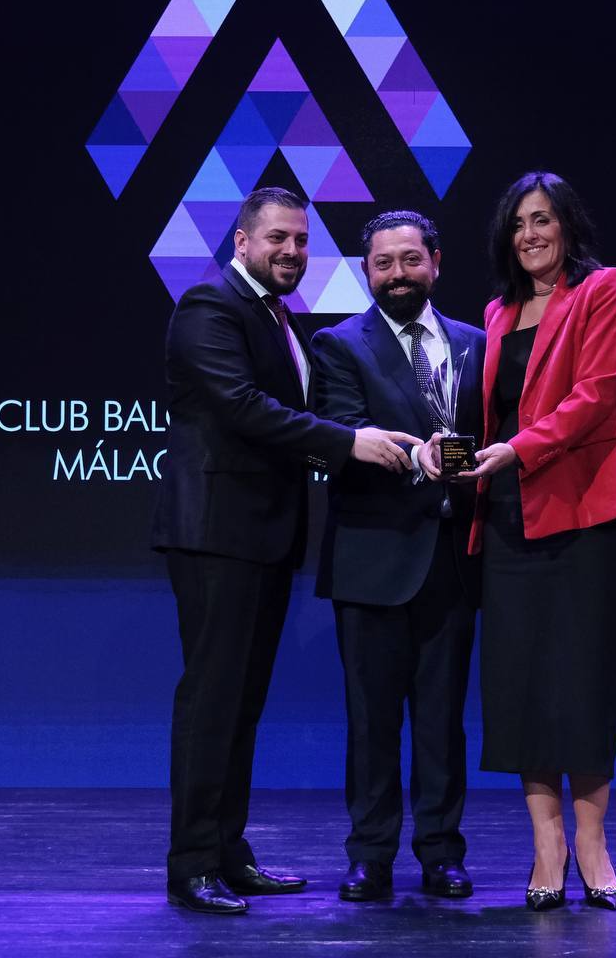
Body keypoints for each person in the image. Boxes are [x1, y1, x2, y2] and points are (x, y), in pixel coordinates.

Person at [152, 187, 420, 916]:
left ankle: (227, 853)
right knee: (211, 702)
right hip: (215, 534)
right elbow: (241, 407)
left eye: (300, 241)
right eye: (277, 239)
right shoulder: (208, 307)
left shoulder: (274, 316)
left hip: (261, 538)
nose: (291, 252)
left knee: (239, 705)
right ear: (241, 242)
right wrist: (347, 441)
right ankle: (191, 865)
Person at [444, 172, 616, 911]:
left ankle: (592, 844)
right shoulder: (497, 313)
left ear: (566, 225)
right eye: (518, 224)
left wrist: (515, 451)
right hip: (507, 518)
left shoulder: (604, 290)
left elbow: (595, 398)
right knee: (521, 685)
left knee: (583, 682)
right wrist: (456, 455)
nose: (529, 235)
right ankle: (546, 846)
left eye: (542, 220)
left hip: (586, 513)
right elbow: (487, 418)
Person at [312, 211, 484, 902]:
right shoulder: (338, 345)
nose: (396, 275)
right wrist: (416, 457)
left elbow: (489, 433)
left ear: (435, 262)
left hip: (451, 556)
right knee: (372, 719)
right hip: (372, 559)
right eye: (382, 264)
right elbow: (344, 433)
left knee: (442, 720)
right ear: (367, 271)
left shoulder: (476, 341)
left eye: (409, 260)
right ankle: (370, 854)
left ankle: (441, 852)